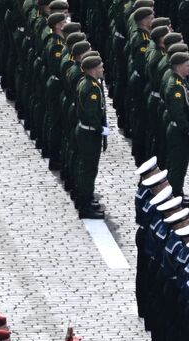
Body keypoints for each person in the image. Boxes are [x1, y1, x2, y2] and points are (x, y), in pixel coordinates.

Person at [73, 54, 108, 219]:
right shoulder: (92, 88)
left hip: (86, 131)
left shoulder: (86, 82)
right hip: (89, 133)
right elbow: (91, 114)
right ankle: (85, 205)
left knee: (87, 168)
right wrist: (101, 129)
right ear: (93, 70)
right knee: (88, 169)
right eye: (100, 67)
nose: (102, 69)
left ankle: (86, 199)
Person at [160, 51, 189, 193]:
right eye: (187, 65)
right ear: (179, 66)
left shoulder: (180, 81)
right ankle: (174, 194)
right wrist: (187, 129)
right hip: (179, 132)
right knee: (178, 166)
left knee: (180, 166)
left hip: (179, 130)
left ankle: (176, 191)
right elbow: (177, 112)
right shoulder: (175, 86)